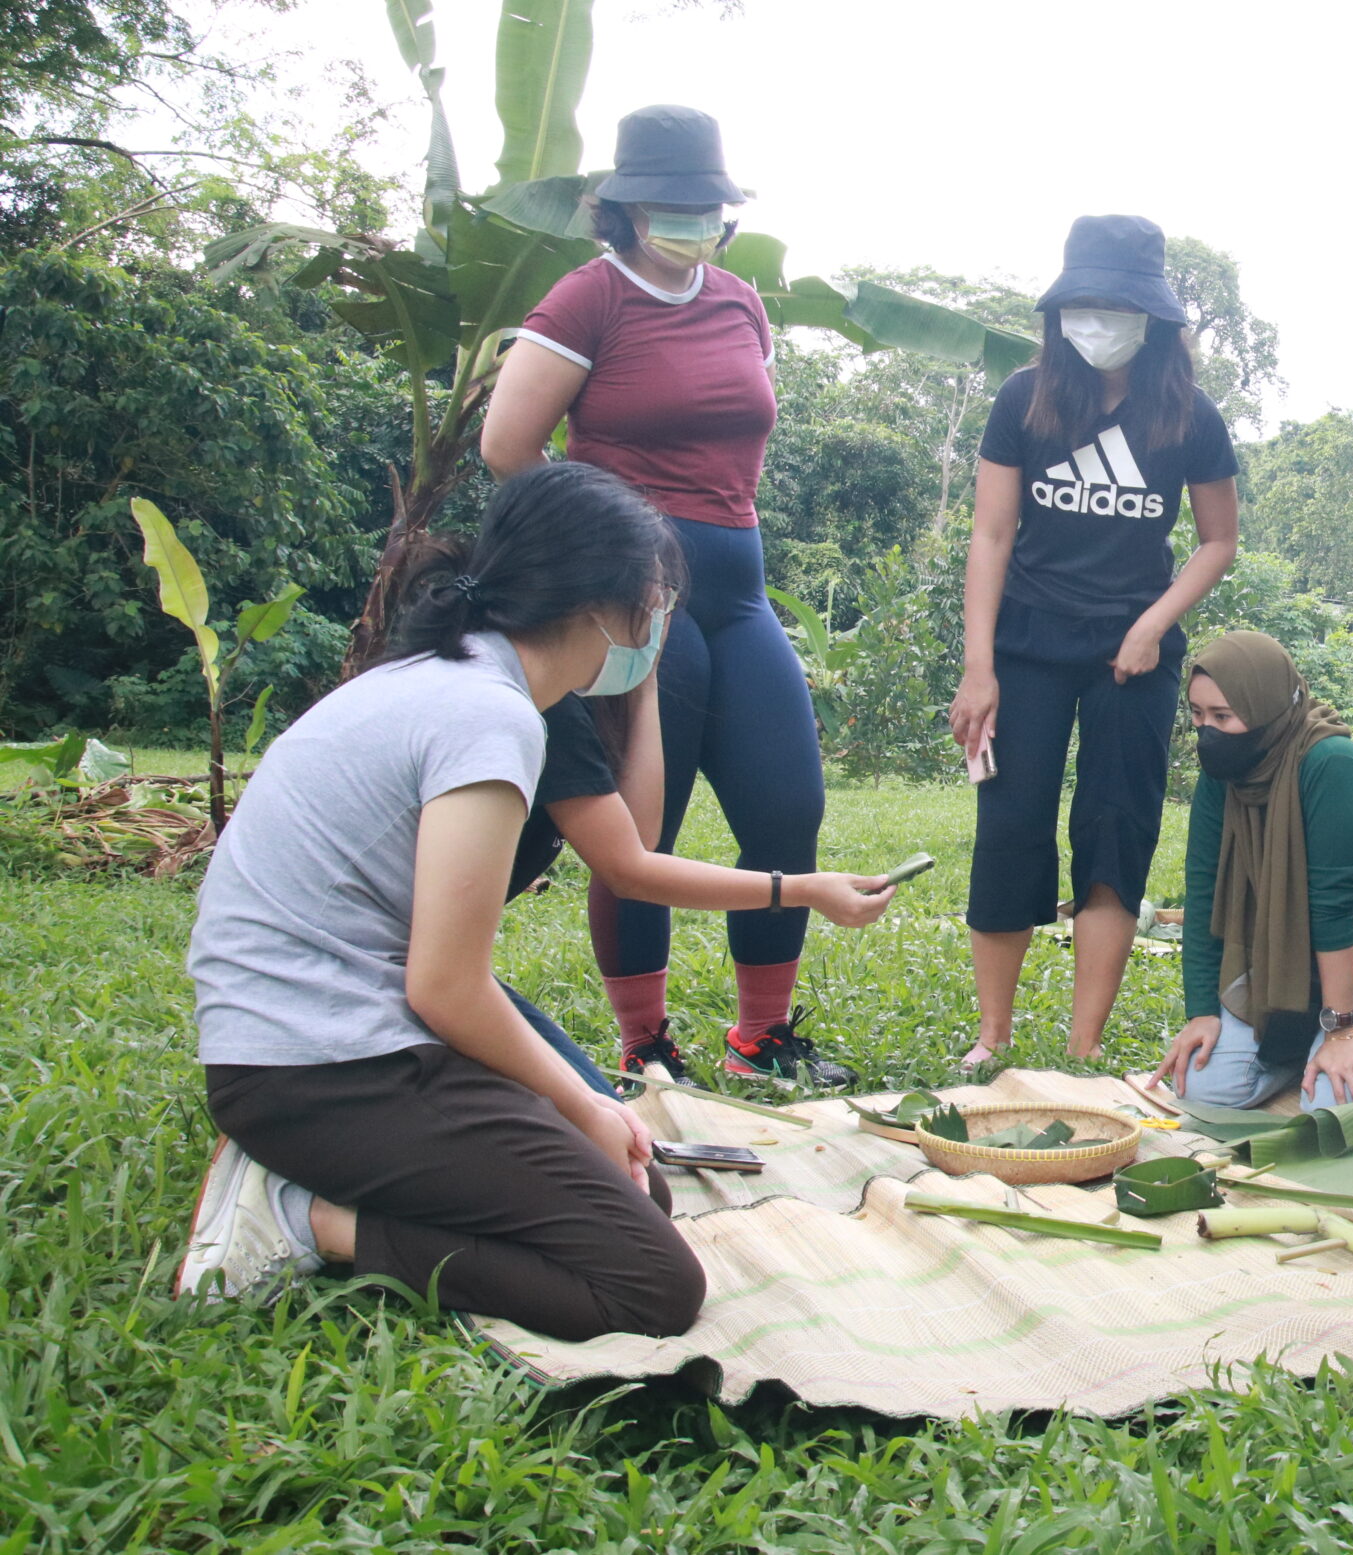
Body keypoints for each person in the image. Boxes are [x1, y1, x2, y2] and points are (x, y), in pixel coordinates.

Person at [178, 465, 895, 1332]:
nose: (661, 623)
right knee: (651, 1284)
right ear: (606, 603)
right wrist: (583, 1101)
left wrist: (575, 1108)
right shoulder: (489, 716)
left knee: (644, 1188)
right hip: (319, 1064)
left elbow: (614, 855)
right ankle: (300, 1217)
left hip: (327, 1027)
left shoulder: (456, 677)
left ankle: (336, 1178)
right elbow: (445, 986)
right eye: (657, 601)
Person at [482, 104, 850, 1089]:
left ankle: (762, 1035)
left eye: (708, 208)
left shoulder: (739, 301)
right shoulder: (585, 301)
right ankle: (645, 1045)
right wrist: (610, 557)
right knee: (643, 829)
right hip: (639, 602)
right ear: (628, 208)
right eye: (672, 207)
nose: (694, 224)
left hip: (738, 589)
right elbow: (506, 449)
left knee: (787, 807)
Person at [946, 215, 1240, 1063]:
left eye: (1118, 303)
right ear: (1062, 307)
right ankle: (991, 1037)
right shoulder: (1025, 399)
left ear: (1153, 316)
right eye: (1086, 301)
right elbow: (991, 535)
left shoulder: (1190, 415)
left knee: (1116, 833)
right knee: (1010, 827)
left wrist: (1153, 624)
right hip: (1026, 645)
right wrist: (979, 666)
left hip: (1133, 657)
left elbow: (1218, 538)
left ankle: (1081, 1046)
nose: (1099, 318)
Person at [503, 687, 907, 1089]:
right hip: (449, 986)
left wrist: (644, 687)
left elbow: (633, 853)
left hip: (452, 984)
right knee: (578, 1116)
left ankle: (761, 1040)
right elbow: (450, 982)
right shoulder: (525, 705)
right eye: (649, 620)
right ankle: (645, 1051)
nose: (656, 628)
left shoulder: (562, 705)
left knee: (580, 1106)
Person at [1152, 632, 1353, 1108]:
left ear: (1265, 705)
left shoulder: (1333, 765)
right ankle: (1301, 1047)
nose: (1208, 732)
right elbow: (1202, 894)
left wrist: (1341, 1030)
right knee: (1203, 1090)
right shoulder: (1225, 776)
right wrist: (1202, 1012)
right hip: (1288, 964)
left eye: (1223, 716)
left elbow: (1331, 909)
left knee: (1330, 1106)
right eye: (1198, 716)